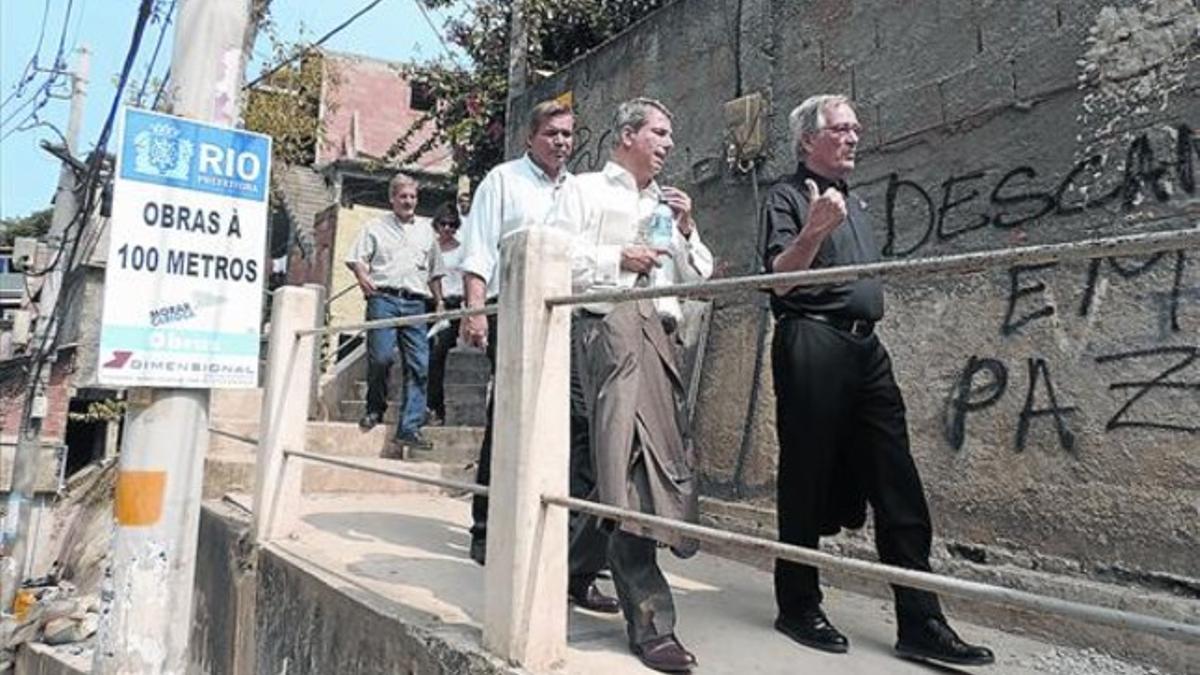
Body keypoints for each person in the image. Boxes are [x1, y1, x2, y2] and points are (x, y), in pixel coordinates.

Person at [760, 94, 994, 667]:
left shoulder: (853, 199)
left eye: (856, 128)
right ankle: (797, 605)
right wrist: (814, 230)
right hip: (811, 338)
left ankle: (920, 620)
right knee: (806, 477)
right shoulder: (787, 197)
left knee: (898, 481)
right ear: (807, 140)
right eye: (841, 128)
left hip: (867, 348)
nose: (853, 137)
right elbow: (779, 282)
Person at [551, 97, 713, 673]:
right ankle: (651, 621)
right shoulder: (585, 190)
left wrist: (688, 231)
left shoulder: (666, 205)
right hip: (611, 323)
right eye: (659, 133)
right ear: (627, 136)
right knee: (637, 469)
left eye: (670, 135)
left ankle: (572, 570)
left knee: (621, 464)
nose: (669, 144)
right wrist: (617, 256)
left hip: (664, 335)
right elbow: (550, 256)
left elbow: (700, 276)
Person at [458, 99, 620, 615]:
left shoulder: (578, 190)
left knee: (572, 423)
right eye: (552, 132)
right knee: (507, 418)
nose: (562, 142)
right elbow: (478, 250)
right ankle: (486, 529)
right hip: (511, 310)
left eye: (569, 134)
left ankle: (562, 547)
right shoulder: (503, 181)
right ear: (530, 137)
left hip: (566, 315)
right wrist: (475, 311)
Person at [345, 173, 444, 454]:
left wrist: (439, 303)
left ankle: (409, 427)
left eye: (412, 197)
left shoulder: (427, 231)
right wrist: (363, 278)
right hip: (384, 299)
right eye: (403, 196)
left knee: (419, 366)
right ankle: (375, 407)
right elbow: (356, 259)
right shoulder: (374, 227)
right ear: (392, 199)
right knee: (381, 358)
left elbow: (435, 271)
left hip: (416, 302)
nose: (408, 202)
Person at [426, 203, 464, 426]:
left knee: (438, 355)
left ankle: (437, 409)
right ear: (437, 225)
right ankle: (430, 406)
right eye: (443, 224)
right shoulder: (431, 248)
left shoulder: (462, 249)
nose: (448, 228)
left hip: (453, 305)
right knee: (428, 357)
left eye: (452, 225)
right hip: (431, 303)